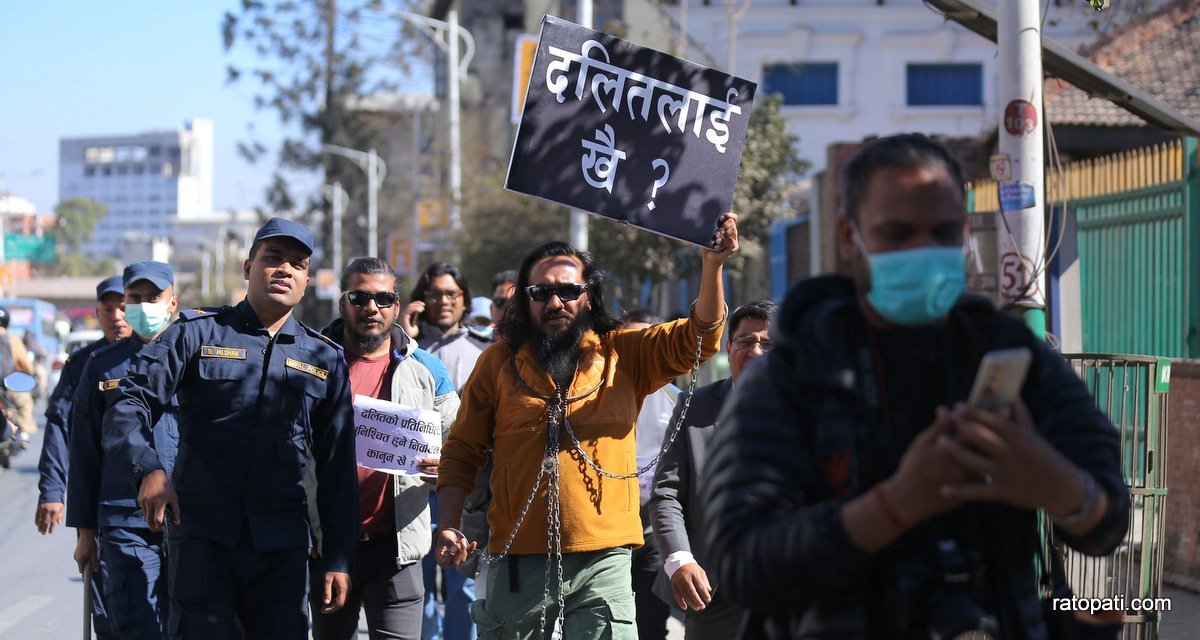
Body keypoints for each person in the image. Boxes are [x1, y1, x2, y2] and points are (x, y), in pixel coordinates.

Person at [701, 134, 1131, 639]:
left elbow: (1109, 520)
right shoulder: (793, 377)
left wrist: (1050, 481)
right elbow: (740, 562)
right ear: (848, 236)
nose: (922, 251)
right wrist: (899, 502)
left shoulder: (1009, 354)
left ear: (965, 233)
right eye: (898, 233)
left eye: (942, 232)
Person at [434, 213, 739, 640]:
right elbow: (462, 451)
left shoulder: (624, 355)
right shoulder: (496, 364)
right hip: (517, 559)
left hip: (604, 560)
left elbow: (700, 338)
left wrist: (713, 266)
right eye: (541, 292)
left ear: (590, 298)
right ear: (525, 300)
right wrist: (449, 522)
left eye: (568, 291)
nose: (555, 302)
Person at [103, 217, 360, 639]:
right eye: (272, 258)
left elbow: (337, 468)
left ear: (308, 280)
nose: (284, 270)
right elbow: (128, 402)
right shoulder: (195, 334)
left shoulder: (325, 358)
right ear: (248, 267)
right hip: (203, 538)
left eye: (297, 264)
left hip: (280, 546)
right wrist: (148, 468)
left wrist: (338, 557)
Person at [310, 256, 461, 640]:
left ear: (397, 305)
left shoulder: (427, 370)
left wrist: (446, 466)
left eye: (383, 298)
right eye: (359, 297)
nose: (371, 308)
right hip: (326, 548)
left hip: (398, 550)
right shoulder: (310, 362)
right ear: (342, 303)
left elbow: (462, 445)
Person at [67, 261, 181, 639]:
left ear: (173, 304)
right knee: (138, 627)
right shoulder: (101, 366)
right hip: (124, 523)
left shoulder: (197, 358)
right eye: (135, 297)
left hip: (189, 522)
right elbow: (84, 453)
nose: (144, 305)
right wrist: (85, 533)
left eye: (154, 297)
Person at [648, 299, 774, 639]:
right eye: (747, 341)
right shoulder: (695, 406)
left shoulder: (809, 408)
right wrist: (679, 559)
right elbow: (665, 493)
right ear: (729, 347)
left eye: (768, 343)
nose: (756, 352)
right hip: (712, 589)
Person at [34, 275, 128, 637]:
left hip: (162, 505)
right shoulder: (83, 365)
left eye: (125, 307)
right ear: (97, 313)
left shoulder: (166, 355)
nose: (118, 316)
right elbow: (59, 426)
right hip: (101, 500)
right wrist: (53, 492)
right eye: (109, 309)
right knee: (106, 609)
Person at [402, 261, 488, 640]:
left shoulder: (483, 350)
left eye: (451, 293)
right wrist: (405, 337)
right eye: (433, 293)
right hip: (414, 485)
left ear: (465, 299)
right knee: (417, 581)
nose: (442, 301)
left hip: (467, 485)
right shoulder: (403, 347)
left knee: (463, 583)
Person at [0, 306, 37, 445]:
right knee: (25, 403)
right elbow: (27, 365)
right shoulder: (13, 340)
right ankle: (25, 435)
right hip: (9, 385)